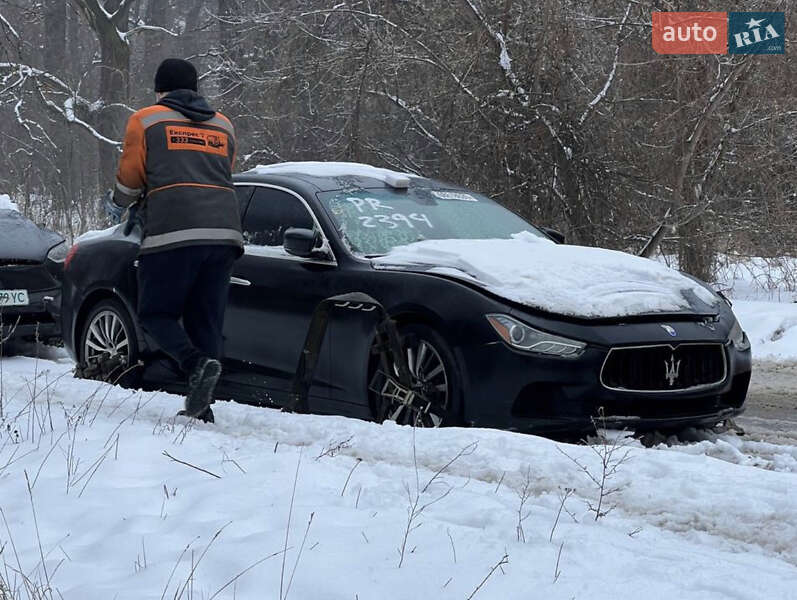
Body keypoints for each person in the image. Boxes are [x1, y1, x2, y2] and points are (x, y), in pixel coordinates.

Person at [108, 58, 243, 422]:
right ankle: (202, 409)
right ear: (195, 90)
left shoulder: (146, 119)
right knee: (205, 321)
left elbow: (131, 177)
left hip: (174, 230)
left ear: (160, 90)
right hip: (225, 234)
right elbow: (223, 171)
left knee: (155, 313)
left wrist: (118, 202)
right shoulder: (223, 125)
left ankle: (194, 363)